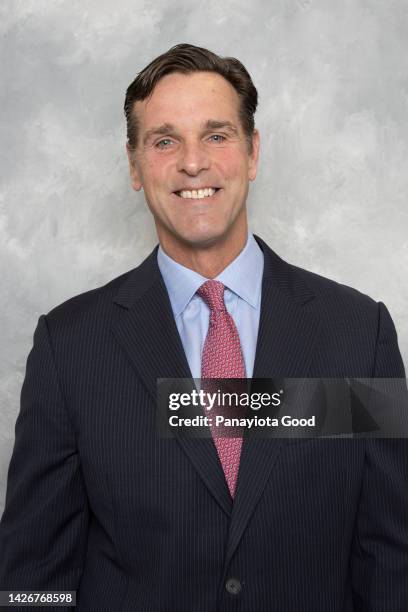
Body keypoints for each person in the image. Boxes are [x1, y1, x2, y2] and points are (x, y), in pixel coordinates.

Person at [0, 43, 407, 611]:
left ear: (252, 153)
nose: (193, 162)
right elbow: (30, 582)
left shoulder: (359, 335)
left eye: (216, 135)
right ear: (135, 165)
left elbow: (393, 561)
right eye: (165, 141)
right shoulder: (70, 347)